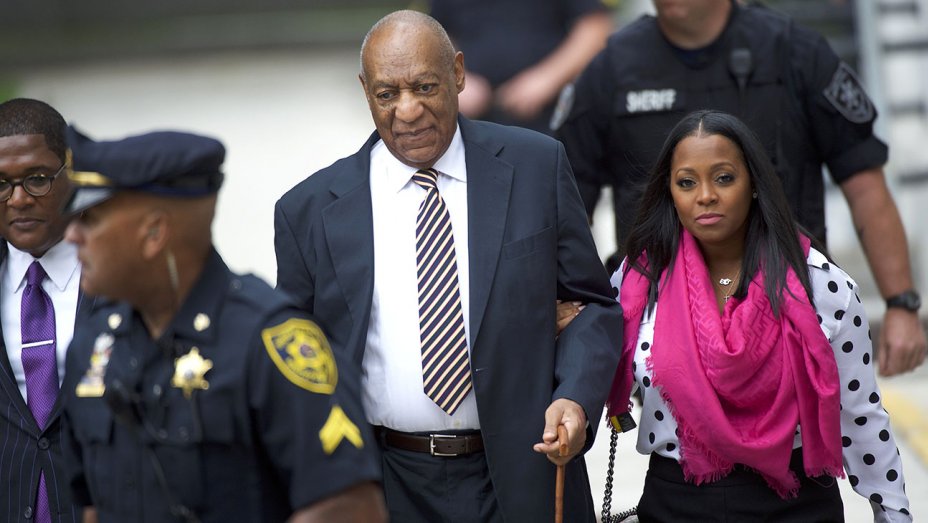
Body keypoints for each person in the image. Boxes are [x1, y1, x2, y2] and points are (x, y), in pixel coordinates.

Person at [274, 10, 622, 522]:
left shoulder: (535, 166)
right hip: (385, 484)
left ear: (458, 74)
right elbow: (296, 365)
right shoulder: (308, 211)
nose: (408, 110)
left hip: (524, 472)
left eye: (424, 87)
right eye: (387, 94)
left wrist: (575, 398)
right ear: (365, 91)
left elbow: (592, 309)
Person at [556, 0, 927, 376]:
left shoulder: (793, 52)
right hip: (659, 337)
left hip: (790, 319)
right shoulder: (612, 69)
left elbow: (863, 183)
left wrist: (901, 304)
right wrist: (574, 309)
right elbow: (565, 209)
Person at [59, 128, 386, 523]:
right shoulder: (93, 346)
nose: (72, 235)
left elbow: (350, 507)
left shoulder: (270, 344)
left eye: (90, 219)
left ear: (154, 233)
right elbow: (92, 506)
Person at [605, 110, 911, 521]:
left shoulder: (820, 285)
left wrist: (893, 513)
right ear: (669, 192)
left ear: (752, 184)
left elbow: (861, 417)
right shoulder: (638, 281)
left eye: (724, 178)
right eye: (686, 182)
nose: (705, 196)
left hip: (797, 505)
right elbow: (589, 374)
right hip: (675, 503)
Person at [0, 98, 83, 523]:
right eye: (1, 183)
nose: (18, 199)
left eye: (37, 179)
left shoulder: (119, 274)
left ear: (70, 173)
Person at [429, 0, 613, 134]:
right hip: (473, 122)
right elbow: (435, 33)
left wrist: (547, 80)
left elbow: (594, 27)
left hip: (551, 118)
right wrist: (456, 78)